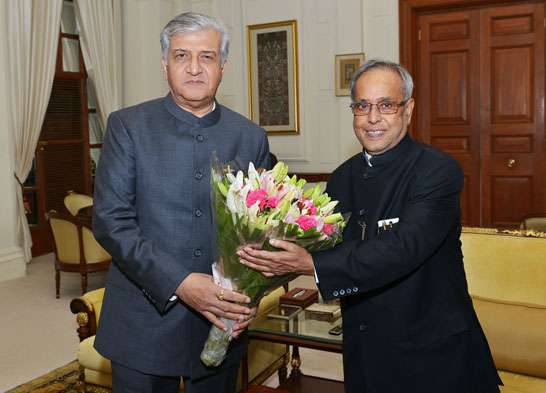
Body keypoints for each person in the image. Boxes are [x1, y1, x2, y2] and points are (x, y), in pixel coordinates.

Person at [239, 58, 502, 393]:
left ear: (408, 110)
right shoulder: (341, 179)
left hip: (434, 360)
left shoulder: (437, 171)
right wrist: (252, 279)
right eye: (362, 106)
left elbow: (404, 247)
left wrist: (312, 264)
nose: (373, 118)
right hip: (366, 356)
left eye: (386, 105)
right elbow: (319, 247)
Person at [92, 12, 271, 393]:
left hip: (222, 324)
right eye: (181, 56)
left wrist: (251, 295)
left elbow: (263, 230)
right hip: (142, 323)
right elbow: (112, 222)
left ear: (222, 66)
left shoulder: (251, 136)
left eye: (206, 57)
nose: (193, 68)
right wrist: (182, 283)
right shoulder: (127, 126)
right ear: (164, 64)